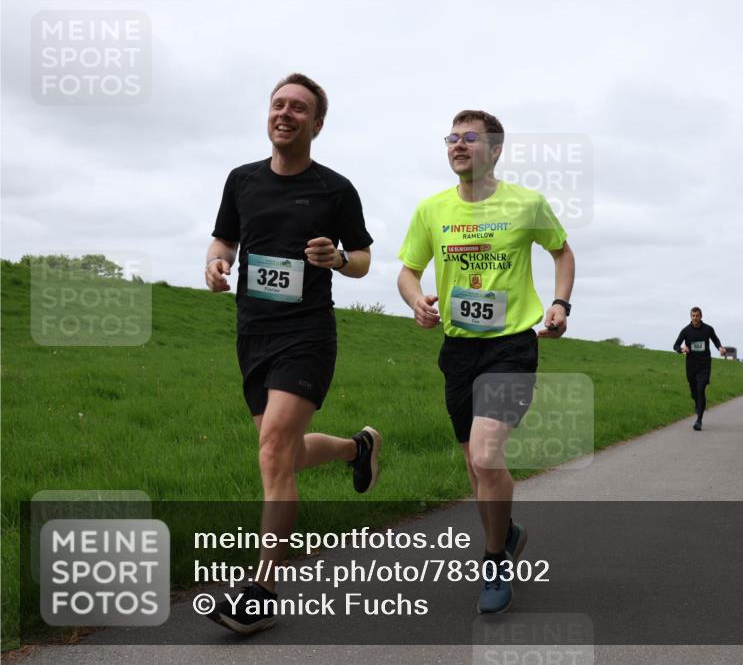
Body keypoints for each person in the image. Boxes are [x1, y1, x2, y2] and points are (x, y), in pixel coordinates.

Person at [204, 73, 381, 634]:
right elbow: (224, 239)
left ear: (317, 124)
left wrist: (335, 258)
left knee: (275, 446)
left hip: (306, 333)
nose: (285, 113)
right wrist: (215, 262)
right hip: (252, 333)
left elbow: (363, 260)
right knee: (280, 453)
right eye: (278, 104)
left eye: (298, 108)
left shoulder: (335, 189)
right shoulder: (241, 181)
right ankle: (357, 449)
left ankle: (261, 589)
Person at [397, 110, 575, 614]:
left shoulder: (527, 203)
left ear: (494, 150)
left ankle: (494, 560)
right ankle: (509, 532)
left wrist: (561, 304)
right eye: (452, 138)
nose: (458, 145)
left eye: (470, 138)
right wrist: (416, 300)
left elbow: (563, 253)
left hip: (510, 345)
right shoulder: (431, 210)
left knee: (485, 454)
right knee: (476, 471)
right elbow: (408, 271)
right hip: (458, 349)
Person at [673, 307, 726, 431]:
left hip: (704, 365)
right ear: (690, 317)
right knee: (694, 393)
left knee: (700, 389)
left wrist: (720, 348)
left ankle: (699, 420)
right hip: (691, 365)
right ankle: (698, 404)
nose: (695, 318)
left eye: (697, 316)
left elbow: (715, 340)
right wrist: (682, 349)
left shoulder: (708, 329)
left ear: (701, 316)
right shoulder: (686, 331)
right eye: (693, 316)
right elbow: (675, 345)